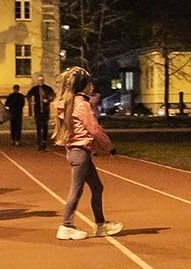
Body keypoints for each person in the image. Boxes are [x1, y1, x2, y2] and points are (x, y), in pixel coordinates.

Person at [53, 67, 123, 240]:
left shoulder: (70, 103)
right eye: (89, 84)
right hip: (80, 152)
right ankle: (66, 225)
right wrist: (110, 147)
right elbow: (94, 129)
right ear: (82, 86)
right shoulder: (81, 105)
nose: (92, 87)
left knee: (97, 187)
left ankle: (100, 225)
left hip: (77, 151)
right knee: (76, 190)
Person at [27, 75, 56, 150]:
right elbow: (29, 95)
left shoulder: (47, 88)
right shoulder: (34, 89)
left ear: (43, 81)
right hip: (37, 109)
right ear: (37, 81)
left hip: (45, 110)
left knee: (45, 125)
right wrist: (31, 101)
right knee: (38, 126)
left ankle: (44, 141)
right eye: (39, 80)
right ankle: (39, 142)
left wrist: (48, 100)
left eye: (41, 80)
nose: (40, 82)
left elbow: (53, 95)